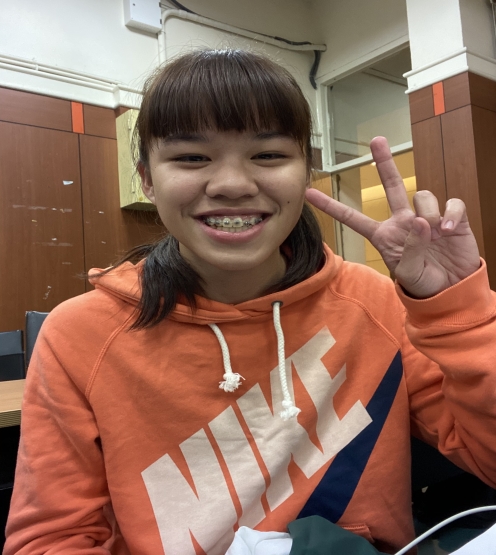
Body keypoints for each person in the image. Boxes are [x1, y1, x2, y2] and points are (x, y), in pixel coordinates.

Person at [4, 49, 496, 555]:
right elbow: (52, 540)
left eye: (268, 155)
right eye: (191, 157)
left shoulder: (374, 303)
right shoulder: (80, 335)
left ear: (307, 172)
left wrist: (458, 310)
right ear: (147, 179)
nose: (233, 185)